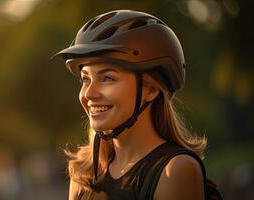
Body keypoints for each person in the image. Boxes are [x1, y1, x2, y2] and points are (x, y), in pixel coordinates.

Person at [53, 10, 216, 200]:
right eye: (85, 79)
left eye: (107, 78)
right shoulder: (84, 172)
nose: (89, 93)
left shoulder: (174, 170)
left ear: (151, 89)